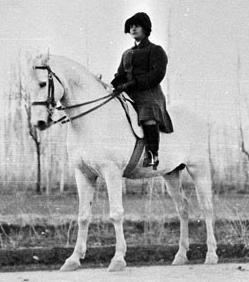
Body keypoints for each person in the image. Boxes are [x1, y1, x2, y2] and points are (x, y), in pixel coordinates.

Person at [111, 12, 173, 169]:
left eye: (136, 26)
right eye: (130, 26)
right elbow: (120, 74)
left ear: (145, 28)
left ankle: (152, 155)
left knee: (147, 112)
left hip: (149, 93)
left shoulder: (156, 50)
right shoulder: (126, 53)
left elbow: (157, 74)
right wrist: (115, 84)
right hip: (129, 92)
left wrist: (133, 83)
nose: (133, 29)